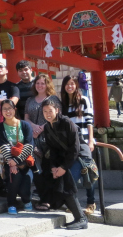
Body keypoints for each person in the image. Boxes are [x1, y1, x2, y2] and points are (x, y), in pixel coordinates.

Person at [41, 98, 88, 230]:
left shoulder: (67, 122)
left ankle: (81, 218)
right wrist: (54, 168)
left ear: (57, 110)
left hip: (78, 157)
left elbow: (75, 148)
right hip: (63, 160)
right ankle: (79, 217)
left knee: (66, 181)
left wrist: (63, 168)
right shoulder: (46, 127)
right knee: (58, 179)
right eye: (44, 111)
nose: (47, 114)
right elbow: (52, 150)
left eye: (50, 110)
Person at [24, 73, 61, 210]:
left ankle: (52, 199)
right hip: (33, 137)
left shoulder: (54, 99)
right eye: (37, 83)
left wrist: (42, 128)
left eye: (43, 83)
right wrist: (33, 127)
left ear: (47, 85)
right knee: (36, 168)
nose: (40, 85)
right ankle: (43, 198)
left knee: (49, 168)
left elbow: (57, 118)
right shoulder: (30, 100)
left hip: (49, 137)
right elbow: (26, 118)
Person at [61, 76, 96, 216]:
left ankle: (90, 202)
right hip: (69, 142)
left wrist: (91, 140)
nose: (70, 87)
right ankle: (73, 202)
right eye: (67, 84)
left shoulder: (83, 100)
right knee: (72, 173)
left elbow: (89, 120)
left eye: (72, 84)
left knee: (88, 171)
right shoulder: (62, 103)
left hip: (83, 140)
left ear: (76, 85)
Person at [0, 100, 34, 215]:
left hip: (25, 161)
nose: (7, 111)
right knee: (14, 178)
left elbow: (29, 145)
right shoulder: (0, 127)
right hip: (9, 161)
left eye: (9, 108)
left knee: (25, 187)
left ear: (14, 109)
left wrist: (16, 161)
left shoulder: (25, 125)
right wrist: (11, 162)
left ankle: (27, 200)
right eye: (4, 109)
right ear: (1, 112)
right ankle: (11, 203)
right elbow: (4, 146)